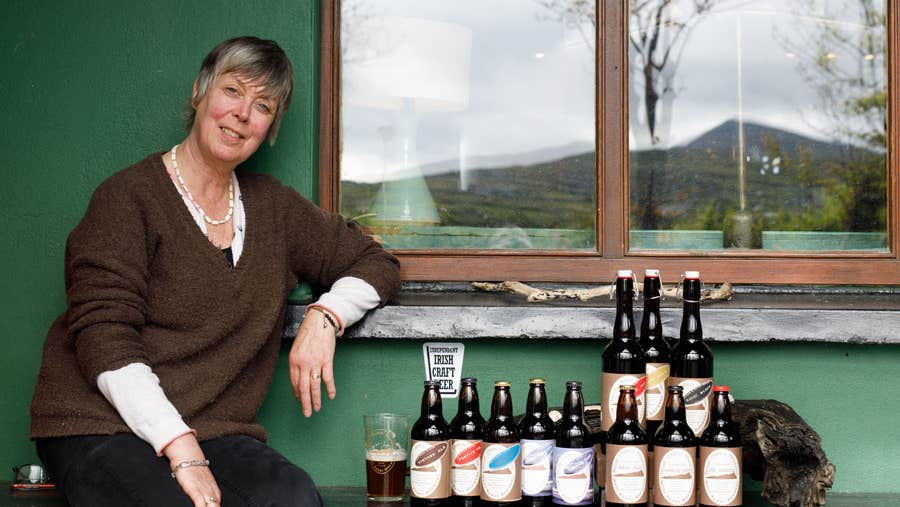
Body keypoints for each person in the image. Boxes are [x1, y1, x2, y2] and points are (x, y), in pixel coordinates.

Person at [29, 36, 400, 507]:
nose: (243, 113)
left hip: (213, 426)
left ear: (269, 129)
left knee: (294, 498)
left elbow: (376, 262)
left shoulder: (275, 209)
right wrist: (180, 448)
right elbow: (105, 340)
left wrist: (326, 316)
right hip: (100, 422)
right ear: (199, 93)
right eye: (232, 91)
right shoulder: (127, 199)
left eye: (262, 105)